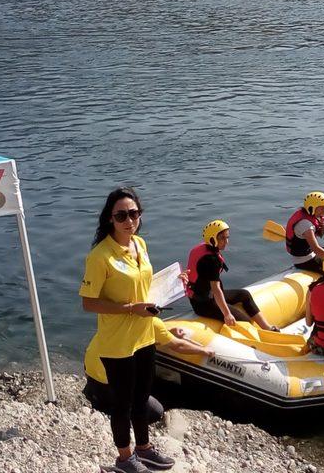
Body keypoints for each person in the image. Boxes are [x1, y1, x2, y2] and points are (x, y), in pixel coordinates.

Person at [79, 187, 173, 473]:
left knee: (142, 396)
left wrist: (171, 286)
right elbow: (88, 303)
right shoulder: (100, 256)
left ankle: (143, 450)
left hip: (144, 334)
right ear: (110, 218)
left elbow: (142, 285)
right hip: (117, 342)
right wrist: (131, 309)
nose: (129, 220)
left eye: (133, 214)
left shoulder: (139, 244)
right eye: (121, 215)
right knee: (122, 403)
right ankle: (124, 459)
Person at [83, 317, 214, 423]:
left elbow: (136, 338)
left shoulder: (117, 315)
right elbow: (178, 345)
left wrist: (167, 333)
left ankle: (95, 395)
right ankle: (114, 410)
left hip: (90, 371)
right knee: (156, 411)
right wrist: (204, 350)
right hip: (109, 385)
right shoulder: (152, 323)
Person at [185, 220, 278, 331]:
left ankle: (267, 327)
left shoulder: (202, 248)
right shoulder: (211, 260)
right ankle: (259, 337)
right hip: (204, 303)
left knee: (245, 294)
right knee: (245, 322)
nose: (226, 242)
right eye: (222, 238)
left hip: (206, 295)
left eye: (227, 237)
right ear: (212, 239)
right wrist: (227, 314)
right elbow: (216, 289)